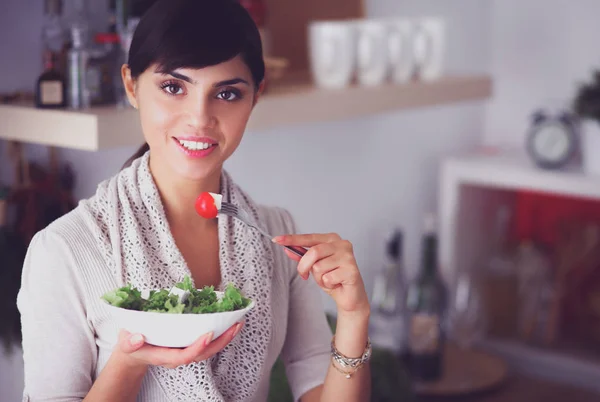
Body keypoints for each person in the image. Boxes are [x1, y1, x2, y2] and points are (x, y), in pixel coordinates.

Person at [17, 0, 372, 401]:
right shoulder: (64, 250)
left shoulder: (279, 234)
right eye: (173, 87)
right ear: (132, 86)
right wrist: (131, 361)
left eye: (227, 93)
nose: (199, 118)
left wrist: (354, 316)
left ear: (256, 96)